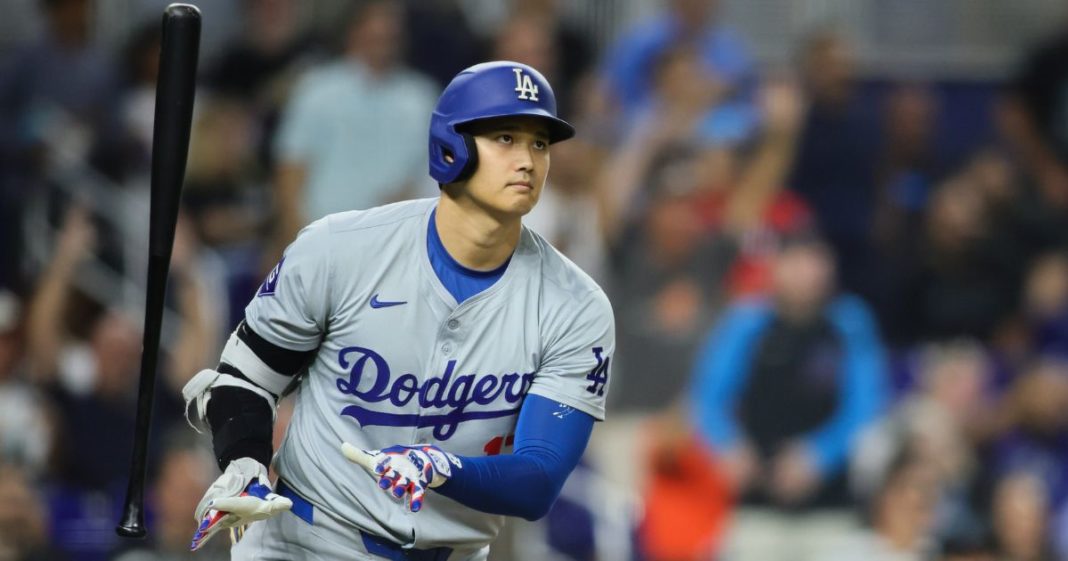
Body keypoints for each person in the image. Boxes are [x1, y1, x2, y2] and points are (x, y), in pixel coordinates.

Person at [182, 61, 615, 561]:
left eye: (539, 143)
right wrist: (243, 461)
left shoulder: (576, 305)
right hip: (306, 542)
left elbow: (538, 479)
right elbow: (246, 378)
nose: (528, 160)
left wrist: (441, 467)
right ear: (450, 146)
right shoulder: (339, 249)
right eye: (505, 137)